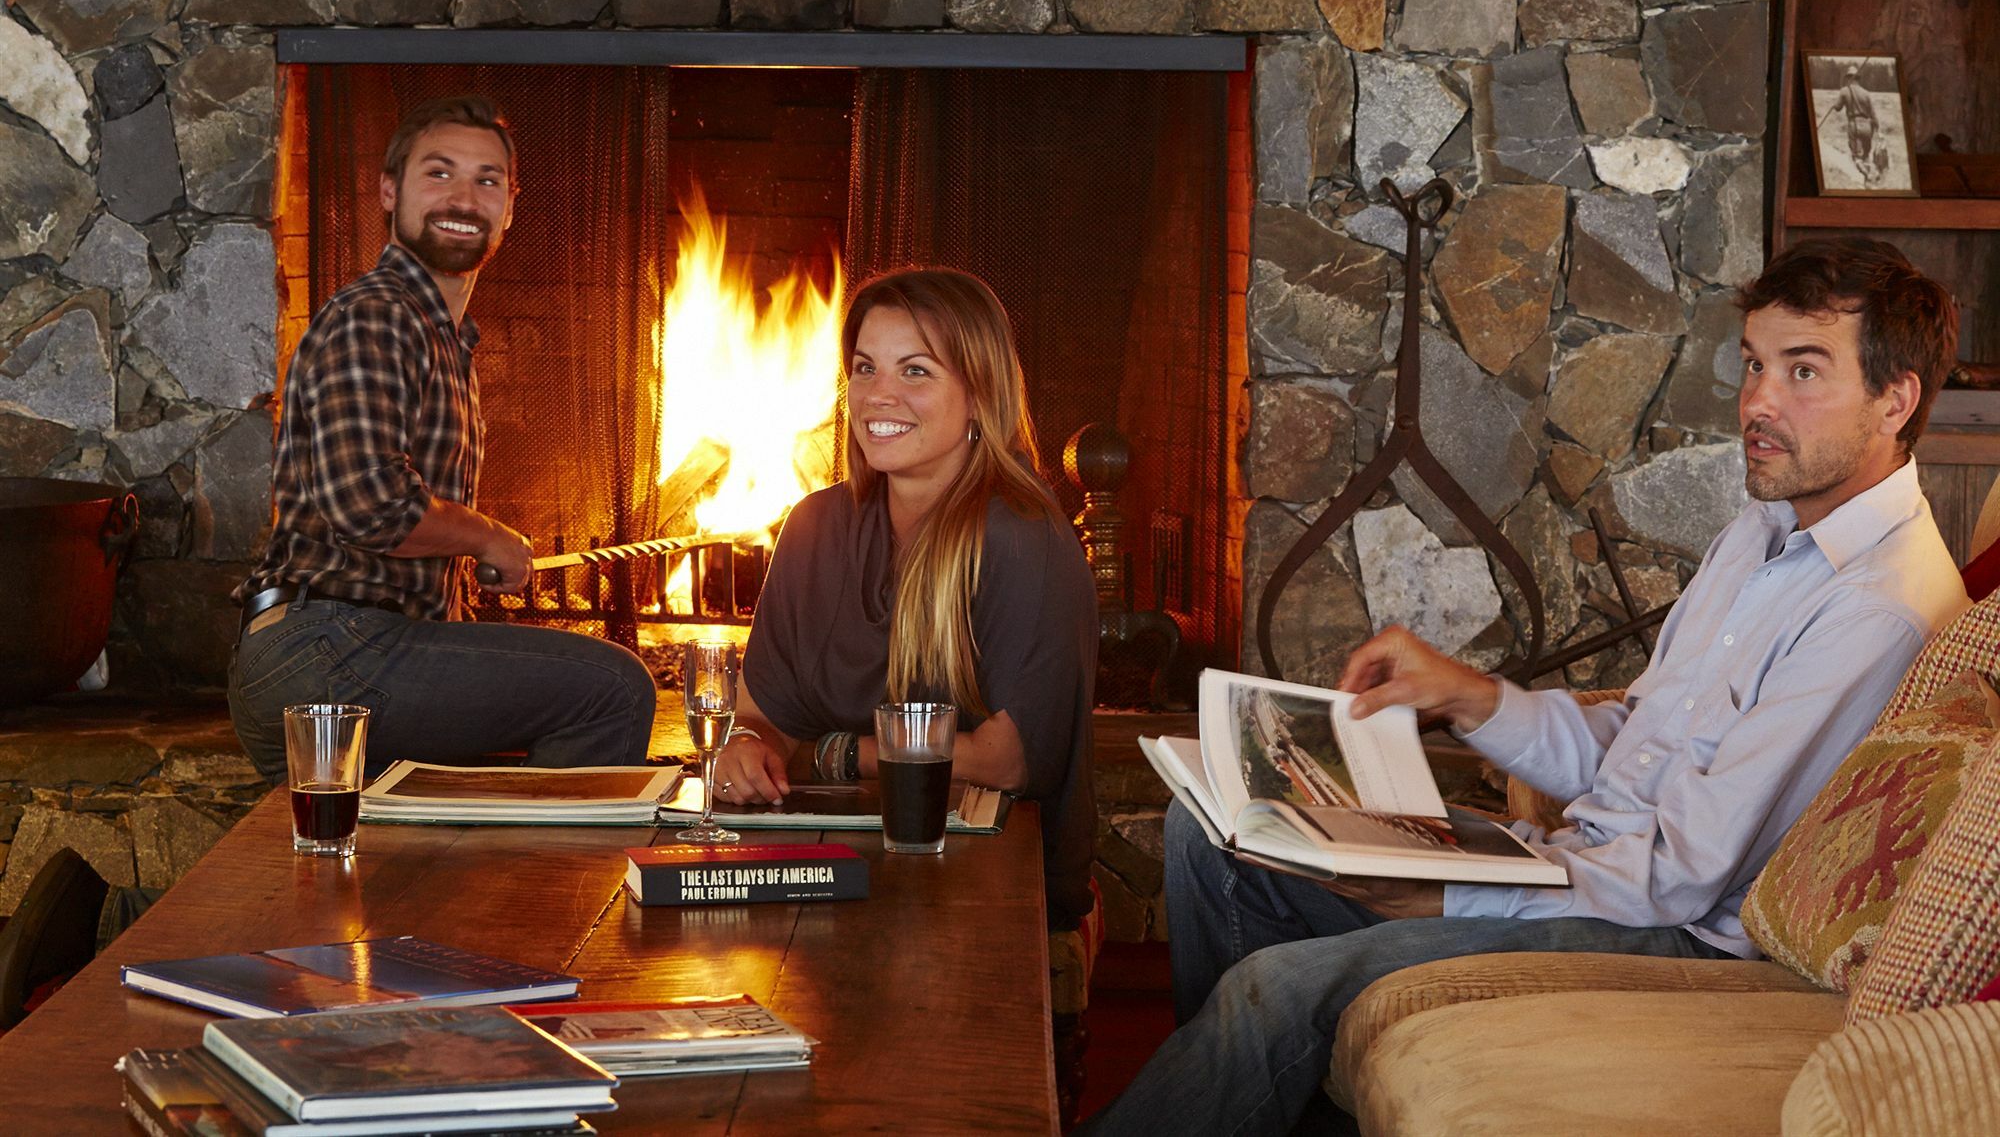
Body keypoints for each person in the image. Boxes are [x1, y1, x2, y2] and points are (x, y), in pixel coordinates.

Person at [1082, 238, 1966, 1134]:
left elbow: (1683, 878)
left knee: (1279, 984)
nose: (1757, 404)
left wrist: (1449, 891)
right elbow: (1633, 739)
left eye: (1803, 371)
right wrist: (1468, 695)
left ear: (1896, 399)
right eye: (1753, 365)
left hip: (1660, 930)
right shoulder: (1767, 524)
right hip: (1580, 865)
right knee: (1218, 836)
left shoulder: (1878, 611)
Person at [228, 95, 656, 782]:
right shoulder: (376, 315)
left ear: (509, 208)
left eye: (488, 180)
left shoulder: (439, 334)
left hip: (352, 648)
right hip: (326, 652)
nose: (465, 195)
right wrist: (489, 537)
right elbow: (371, 502)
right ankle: (540, 890)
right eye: (440, 173)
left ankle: (482, 874)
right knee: (613, 689)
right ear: (389, 192)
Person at [714, 268, 1099, 929]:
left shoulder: (1020, 536)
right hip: (822, 861)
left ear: (978, 394)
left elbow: (1004, 759)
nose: (878, 395)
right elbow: (756, 717)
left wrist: (825, 753)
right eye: (865, 368)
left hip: (981, 880)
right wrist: (746, 749)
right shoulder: (813, 526)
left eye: (915, 370)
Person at [1828, 63, 1880, 186]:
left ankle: (1868, 176)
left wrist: (1833, 106)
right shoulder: (1866, 93)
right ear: (1858, 78)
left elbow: (1838, 107)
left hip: (1854, 125)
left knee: (1857, 157)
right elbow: (1873, 115)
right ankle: (1868, 182)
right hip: (1868, 127)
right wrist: (1878, 130)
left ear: (1848, 78)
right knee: (1866, 155)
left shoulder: (1844, 91)